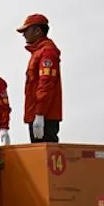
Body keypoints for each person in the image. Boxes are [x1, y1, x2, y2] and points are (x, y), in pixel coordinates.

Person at [17, 13, 62, 143]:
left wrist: (40, 114)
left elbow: (46, 83)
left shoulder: (47, 52)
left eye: (26, 30)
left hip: (45, 116)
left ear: (37, 31)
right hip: (38, 115)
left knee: (43, 157)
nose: (23, 34)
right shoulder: (38, 53)